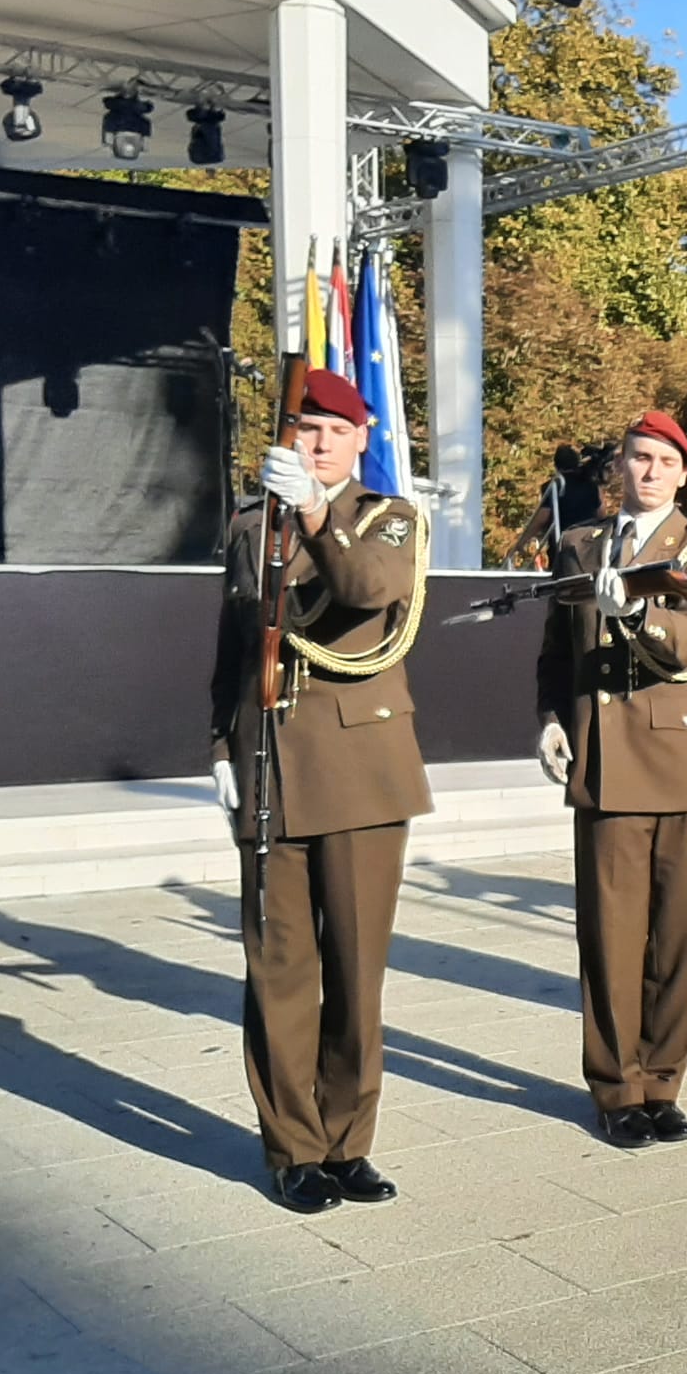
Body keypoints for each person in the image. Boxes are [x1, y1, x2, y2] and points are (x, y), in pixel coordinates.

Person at [209, 369, 431, 1213]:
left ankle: (348, 1143)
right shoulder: (247, 522)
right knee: (279, 971)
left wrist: (313, 513)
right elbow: (232, 645)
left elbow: (367, 592)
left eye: (333, 432)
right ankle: (292, 1147)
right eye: (304, 429)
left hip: (360, 774)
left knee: (355, 969)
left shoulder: (388, 518)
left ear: (362, 439)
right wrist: (219, 746)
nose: (317, 443)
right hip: (269, 761)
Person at [534, 411, 687, 1149]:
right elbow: (557, 652)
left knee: (678, 935)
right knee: (611, 936)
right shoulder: (579, 545)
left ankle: (663, 1081)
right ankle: (617, 1087)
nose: (647, 471)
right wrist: (552, 719)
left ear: (683, 473)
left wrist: (644, 609)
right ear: (618, 467)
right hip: (605, 761)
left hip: (680, 762)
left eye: (661, 460)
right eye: (636, 458)